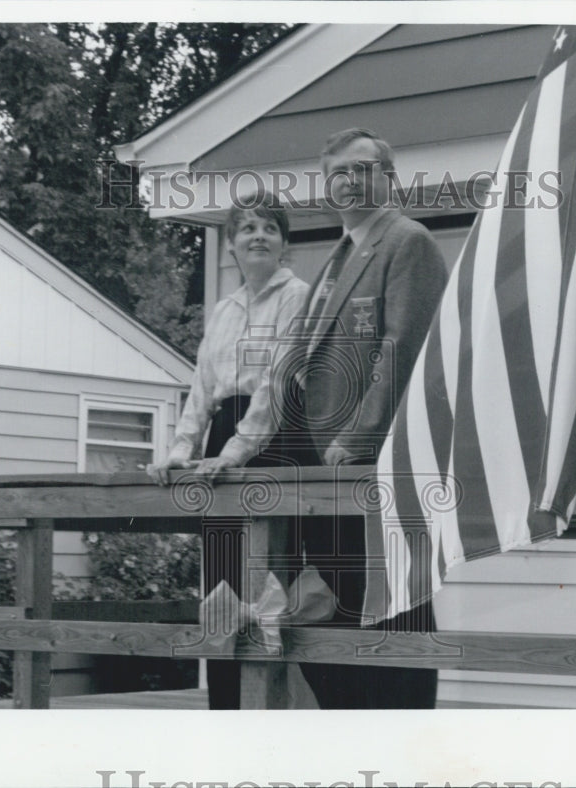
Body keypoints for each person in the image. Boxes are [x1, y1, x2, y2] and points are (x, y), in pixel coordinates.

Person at [281, 127, 449, 708]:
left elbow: (403, 349)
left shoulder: (409, 242)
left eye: (362, 168)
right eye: (338, 174)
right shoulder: (336, 257)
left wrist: (358, 439)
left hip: (375, 464)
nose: (349, 182)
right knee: (335, 612)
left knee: (392, 610)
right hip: (322, 471)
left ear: (387, 177)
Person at [146, 195, 308, 709]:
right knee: (221, 580)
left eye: (269, 228)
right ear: (232, 245)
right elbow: (202, 386)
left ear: (284, 243)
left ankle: (273, 713)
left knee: (266, 582)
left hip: (276, 441)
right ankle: (225, 710)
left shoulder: (298, 296)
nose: (257, 236)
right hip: (221, 442)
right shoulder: (223, 309)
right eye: (246, 229)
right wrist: (179, 449)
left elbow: (278, 383)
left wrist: (237, 452)